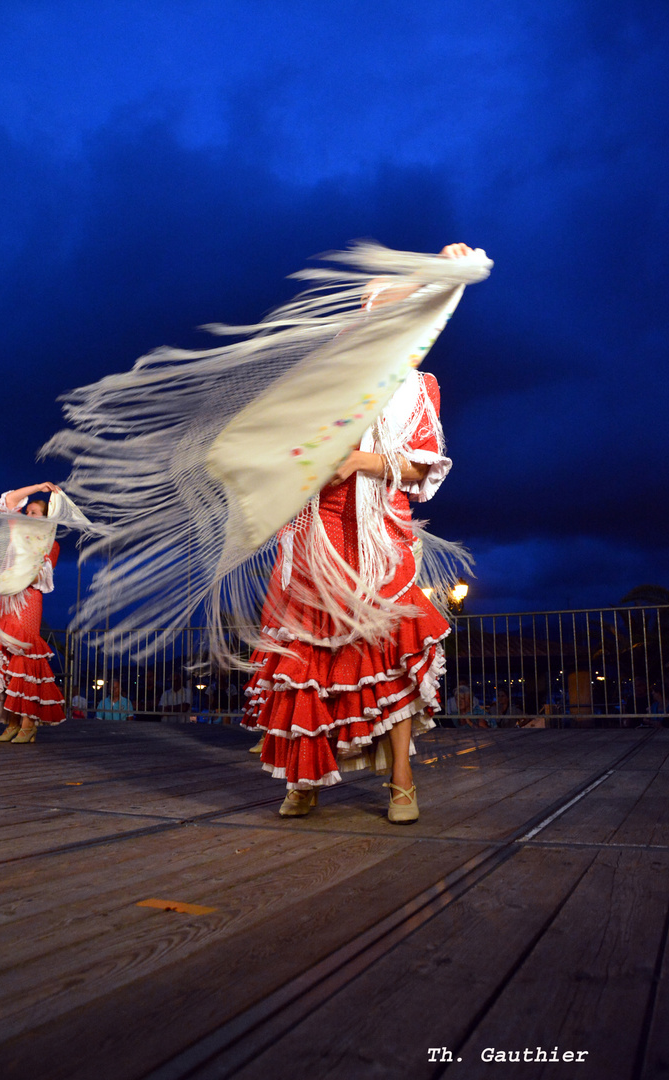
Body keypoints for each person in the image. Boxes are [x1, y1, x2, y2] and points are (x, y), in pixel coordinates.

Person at [243, 243, 474, 823]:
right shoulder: (327, 380)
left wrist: (439, 273)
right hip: (315, 530)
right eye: (367, 308)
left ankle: (402, 781)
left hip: (379, 535)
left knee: (386, 652)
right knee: (306, 657)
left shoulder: (419, 387)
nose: (371, 315)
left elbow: (425, 466)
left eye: (386, 310)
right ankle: (305, 780)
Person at [0, 483, 66, 742]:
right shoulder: (16, 532)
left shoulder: (51, 544)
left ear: (46, 518)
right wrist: (39, 487)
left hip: (27, 600)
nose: (28, 516)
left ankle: (28, 723)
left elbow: (41, 576)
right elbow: (7, 501)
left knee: (23, 659)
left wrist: (22, 571)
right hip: (6, 600)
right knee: (4, 657)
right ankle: (12, 723)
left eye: (34, 513)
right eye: (26, 512)